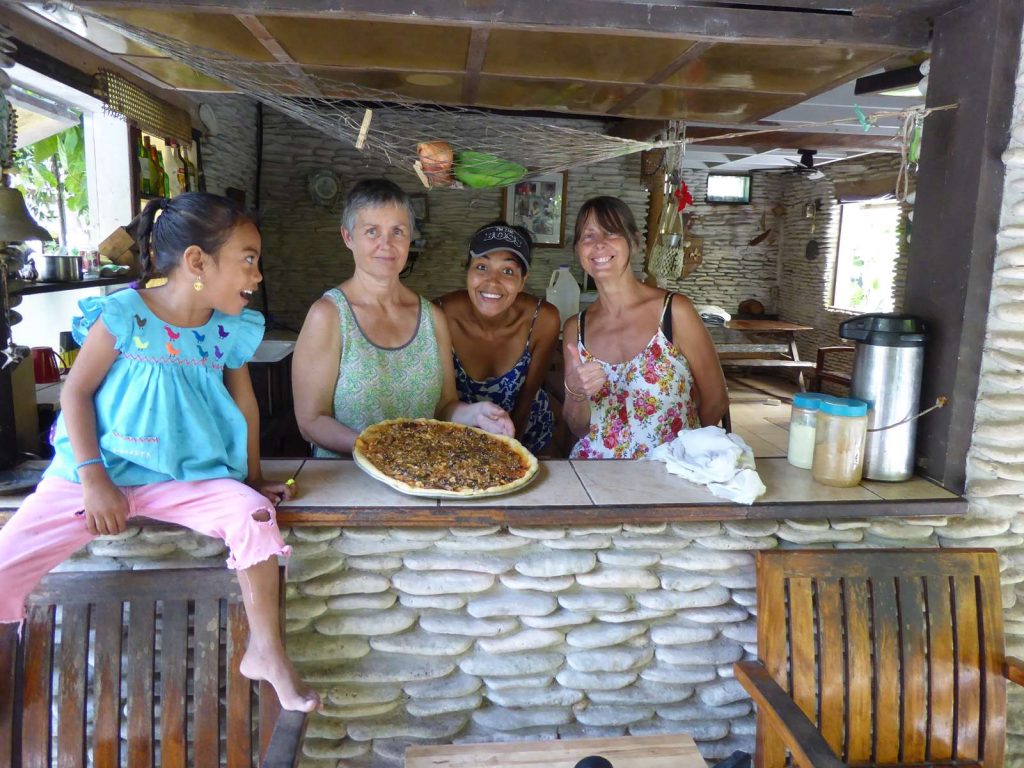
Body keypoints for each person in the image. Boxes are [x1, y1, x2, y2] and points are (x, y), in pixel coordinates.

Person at [0, 193, 319, 713]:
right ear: (197, 261)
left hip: (183, 480)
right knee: (2, 564)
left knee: (254, 515)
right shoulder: (124, 314)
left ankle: (266, 651)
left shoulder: (227, 329)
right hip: (94, 476)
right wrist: (93, 479)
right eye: (248, 258)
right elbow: (76, 392)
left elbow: (245, 406)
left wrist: (251, 478)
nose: (257, 275)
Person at [293, 179, 513, 456]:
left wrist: (476, 414)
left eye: (397, 231)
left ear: (410, 237)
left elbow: (444, 407)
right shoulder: (328, 316)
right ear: (348, 237)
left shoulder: (432, 318)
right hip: (346, 476)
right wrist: (374, 450)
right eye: (372, 231)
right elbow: (311, 421)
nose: (386, 244)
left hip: (422, 473)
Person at [562, 196, 729, 459]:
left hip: (669, 471)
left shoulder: (674, 312)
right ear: (578, 250)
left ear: (634, 242)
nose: (599, 243)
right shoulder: (576, 328)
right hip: (595, 470)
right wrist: (575, 392)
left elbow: (716, 400)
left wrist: (682, 458)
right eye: (588, 236)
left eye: (612, 232)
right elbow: (579, 428)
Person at [437, 222, 560, 454]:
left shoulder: (543, 319)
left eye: (508, 271)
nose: (492, 281)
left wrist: (511, 452)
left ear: (523, 281)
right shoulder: (439, 316)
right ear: (467, 271)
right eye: (482, 266)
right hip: (455, 439)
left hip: (527, 435)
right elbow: (438, 402)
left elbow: (528, 397)